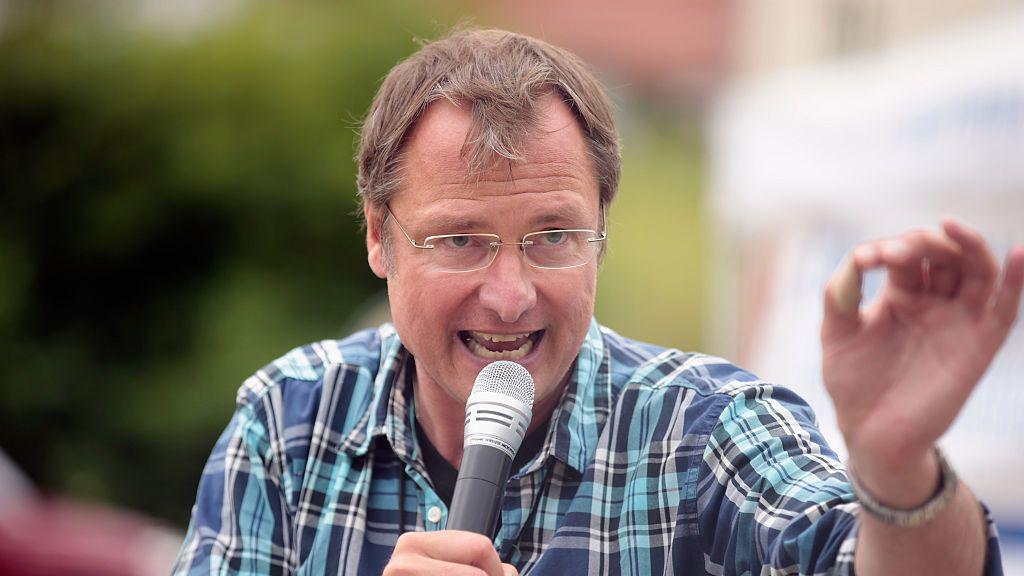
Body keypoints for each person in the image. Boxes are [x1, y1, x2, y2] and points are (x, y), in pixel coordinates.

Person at [172, 28, 1023, 575]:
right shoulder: (289, 423)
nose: (509, 296)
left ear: (600, 234)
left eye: (552, 237)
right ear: (378, 238)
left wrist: (897, 467)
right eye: (459, 239)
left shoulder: (708, 429)